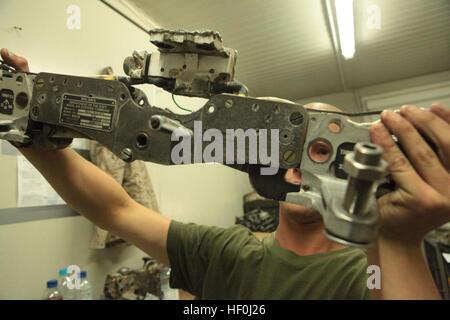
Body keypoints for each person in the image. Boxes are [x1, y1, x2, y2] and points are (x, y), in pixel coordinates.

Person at [2, 48, 449, 299]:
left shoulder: (365, 274)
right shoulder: (224, 254)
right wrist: (26, 126)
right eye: (287, 148)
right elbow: (116, 209)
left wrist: (396, 240)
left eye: (320, 150)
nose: (300, 164)